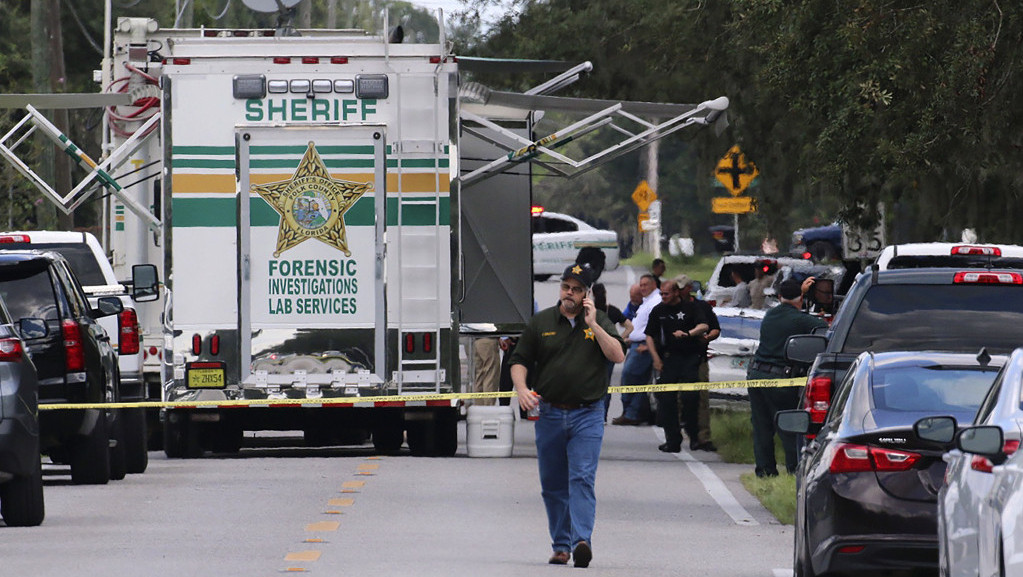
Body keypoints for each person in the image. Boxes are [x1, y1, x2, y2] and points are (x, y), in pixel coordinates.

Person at [511, 263, 627, 568]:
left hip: (587, 414)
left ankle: (581, 540)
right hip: (549, 412)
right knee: (552, 484)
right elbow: (519, 360)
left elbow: (617, 355)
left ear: (586, 294)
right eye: (566, 287)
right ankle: (560, 545)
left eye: (576, 289)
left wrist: (594, 325)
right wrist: (522, 389)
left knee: (582, 478)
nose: (569, 294)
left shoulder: (599, 320)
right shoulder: (542, 322)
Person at [746, 277, 828, 477]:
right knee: (790, 425)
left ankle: (765, 471)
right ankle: (794, 470)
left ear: (780, 296)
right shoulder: (800, 319)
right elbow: (823, 327)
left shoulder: (770, 315)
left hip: (756, 375)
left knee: (761, 426)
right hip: (781, 381)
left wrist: (800, 294)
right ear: (800, 297)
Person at [646, 278, 709, 452]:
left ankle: (694, 437)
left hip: (689, 358)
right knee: (666, 401)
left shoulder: (691, 307)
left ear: (675, 292)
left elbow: (703, 325)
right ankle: (672, 440)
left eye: (666, 294)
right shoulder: (658, 310)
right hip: (668, 359)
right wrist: (655, 359)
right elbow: (649, 335)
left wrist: (688, 334)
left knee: (690, 399)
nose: (663, 297)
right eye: (661, 294)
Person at [612, 274, 659, 426]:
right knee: (638, 382)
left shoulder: (655, 302)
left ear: (653, 285)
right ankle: (633, 413)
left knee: (629, 377)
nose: (643, 288)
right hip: (636, 344)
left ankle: (631, 413)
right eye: (641, 285)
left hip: (643, 347)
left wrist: (648, 346)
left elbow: (659, 327)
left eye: (646, 285)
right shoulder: (647, 302)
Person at [681, 276, 720, 451]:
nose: (679, 291)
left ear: (688, 288)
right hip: (677, 360)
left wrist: (707, 338)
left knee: (702, 400)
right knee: (680, 399)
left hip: (698, 360)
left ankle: (703, 437)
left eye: (681, 288)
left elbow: (715, 329)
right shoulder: (670, 308)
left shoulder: (702, 307)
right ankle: (684, 432)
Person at [592, 282, 633, 421]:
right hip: (609, 350)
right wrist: (618, 339)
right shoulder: (612, 311)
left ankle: (592, 414)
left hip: (592, 351)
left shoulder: (589, 312)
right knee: (606, 384)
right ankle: (603, 416)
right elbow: (629, 327)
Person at [472, 337, 501, 406]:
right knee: (490, 376)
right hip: (488, 338)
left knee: (479, 377)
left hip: (474, 338)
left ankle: (478, 408)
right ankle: (488, 408)